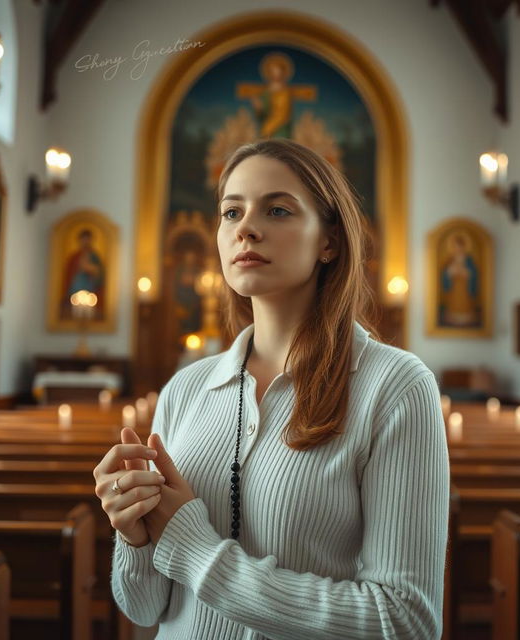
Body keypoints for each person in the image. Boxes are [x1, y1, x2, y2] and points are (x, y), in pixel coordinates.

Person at [93, 138, 450, 639]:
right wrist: (133, 536)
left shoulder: (393, 387)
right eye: (231, 211)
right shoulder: (186, 389)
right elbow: (145, 609)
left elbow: (405, 621)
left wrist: (195, 550)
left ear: (329, 241)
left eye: (278, 210)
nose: (246, 229)